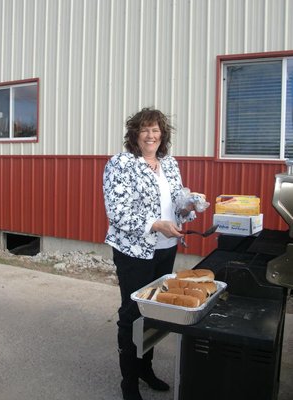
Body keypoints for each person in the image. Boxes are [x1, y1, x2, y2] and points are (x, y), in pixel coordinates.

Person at [103, 108, 203, 400]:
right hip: (134, 252)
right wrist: (154, 224)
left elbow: (176, 203)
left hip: (165, 249)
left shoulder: (169, 163)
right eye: (145, 130)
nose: (151, 135)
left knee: (156, 311)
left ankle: (145, 369)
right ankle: (129, 382)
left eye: (156, 130)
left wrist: (189, 206)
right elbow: (117, 212)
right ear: (135, 134)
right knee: (133, 314)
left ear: (163, 135)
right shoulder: (120, 164)